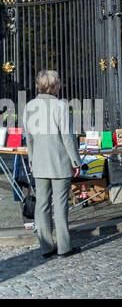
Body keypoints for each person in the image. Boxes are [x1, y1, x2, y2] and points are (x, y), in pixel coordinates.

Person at [23, 70, 82, 258]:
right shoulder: (60, 105)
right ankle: (64, 247)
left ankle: (46, 247)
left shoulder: (30, 106)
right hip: (60, 162)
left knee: (42, 206)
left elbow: (29, 138)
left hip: (39, 162)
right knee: (60, 205)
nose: (60, 86)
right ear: (53, 85)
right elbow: (67, 137)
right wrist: (76, 160)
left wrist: (31, 159)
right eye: (58, 83)